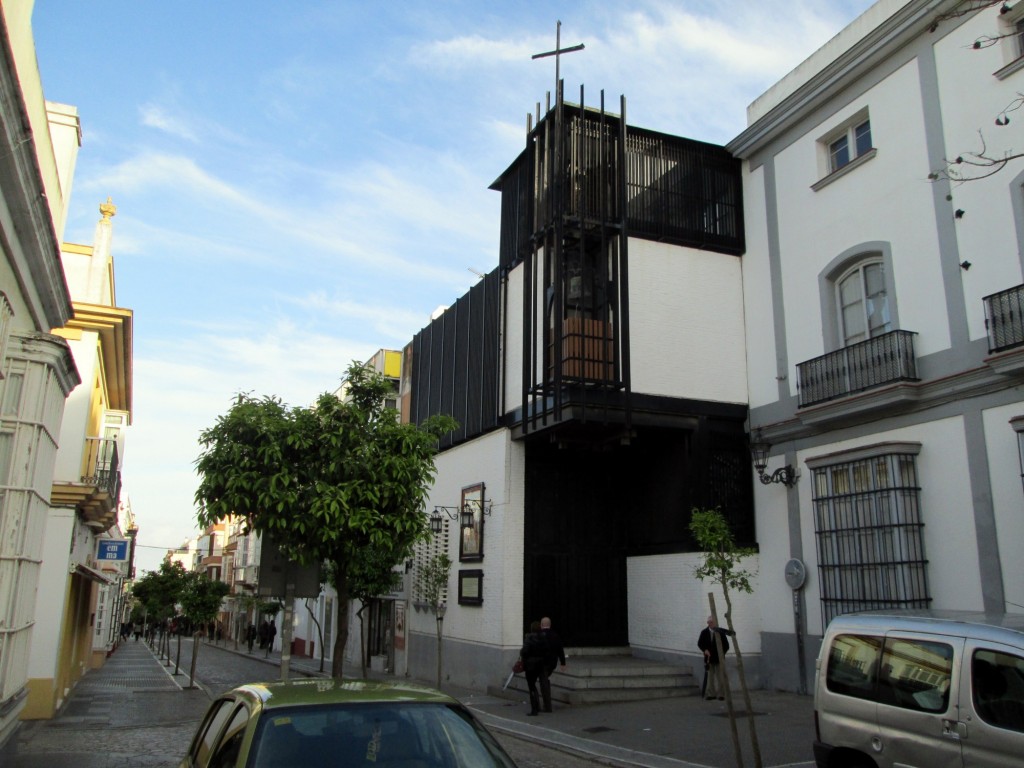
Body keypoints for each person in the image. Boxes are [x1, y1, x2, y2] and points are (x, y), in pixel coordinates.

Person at [698, 615, 735, 700]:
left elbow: (726, 645)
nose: (711, 624)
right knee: (710, 677)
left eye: (712, 622)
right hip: (709, 658)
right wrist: (705, 650)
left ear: (715, 623)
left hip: (719, 659)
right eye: (709, 622)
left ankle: (721, 694)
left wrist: (722, 654)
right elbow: (700, 643)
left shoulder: (720, 632)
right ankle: (711, 694)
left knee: (720, 677)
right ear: (707, 623)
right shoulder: (704, 632)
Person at [519, 621, 549, 716]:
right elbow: (547, 651)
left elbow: (524, 652)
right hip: (541, 664)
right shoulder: (544, 638)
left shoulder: (529, 638)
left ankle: (535, 708)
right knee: (540, 682)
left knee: (532, 686)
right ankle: (542, 705)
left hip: (530, 665)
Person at [539, 617, 566, 712]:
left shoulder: (539, 635)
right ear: (549, 625)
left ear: (541, 625)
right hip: (552, 663)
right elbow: (560, 650)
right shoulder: (555, 635)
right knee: (545, 679)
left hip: (542, 663)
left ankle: (547, 706)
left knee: (543, 683)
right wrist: (563, 663)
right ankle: (546, 704)